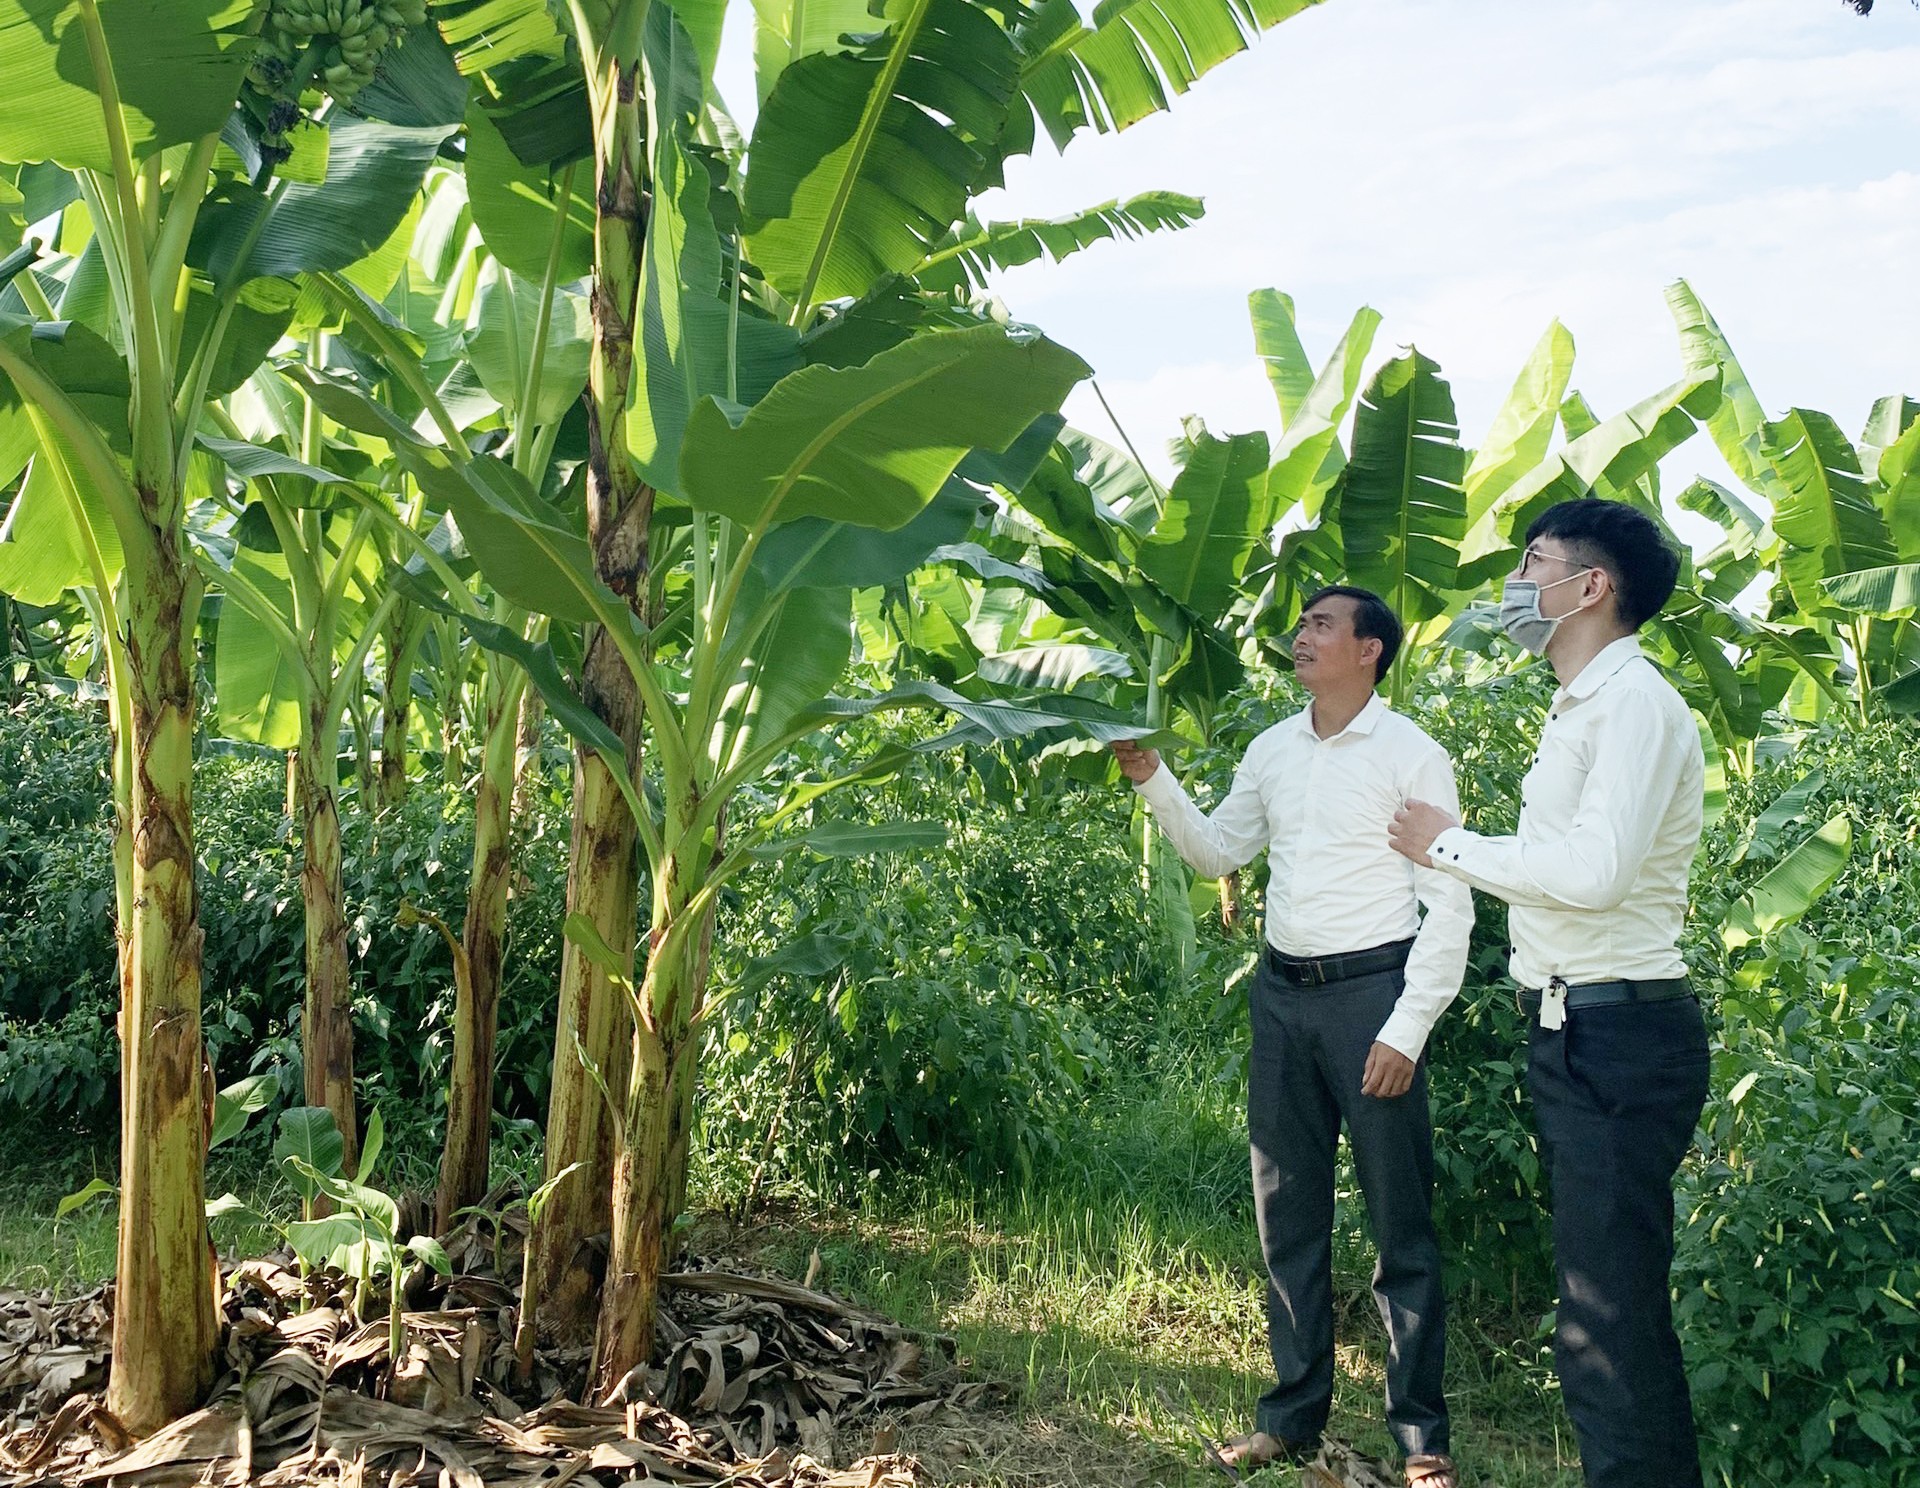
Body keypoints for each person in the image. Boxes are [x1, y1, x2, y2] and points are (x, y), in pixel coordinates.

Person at [1112, 586, 1471, 1488]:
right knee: (1288, 1216)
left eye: (1321, 626)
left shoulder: (1412, 755)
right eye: (1302, 623)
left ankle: (1422, 1438)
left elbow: (1450, 905)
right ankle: (1290, 1416)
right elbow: (1219, 852)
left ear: (1370, 651)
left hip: (1372, 999)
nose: (1302, 637)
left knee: (1401, 1225)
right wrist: (1153, 777)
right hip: (1282, 998)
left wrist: (1407, 1028)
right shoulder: (1273, 749)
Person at [1387, 498, 1710, 1488]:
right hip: (1581, 1030)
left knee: (1605, 1325)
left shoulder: (1633, 707)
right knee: (1604, 1313)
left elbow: (1594, 872)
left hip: (1620, 1033)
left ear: (1591, 587)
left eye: (1533, 563)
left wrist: (1444, 844)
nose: (1516, 586)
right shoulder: (1583, 706)